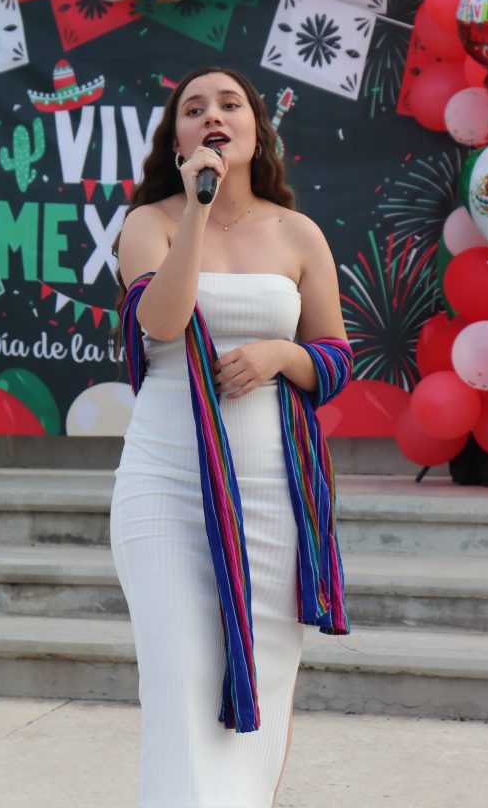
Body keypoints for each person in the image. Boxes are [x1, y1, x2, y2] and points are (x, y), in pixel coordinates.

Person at [110, 66, 352, 808]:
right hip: (166, 487)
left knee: (264, 688)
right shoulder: (151, 223)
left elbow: (335, 359)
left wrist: (281, 355)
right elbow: (161, 323)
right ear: (177, 141)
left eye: (229, 104)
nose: (213, 116)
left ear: (257, 128)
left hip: (274, 499)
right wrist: (197, 207)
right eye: (193, 109)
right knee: (182, 682)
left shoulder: (298, 234)